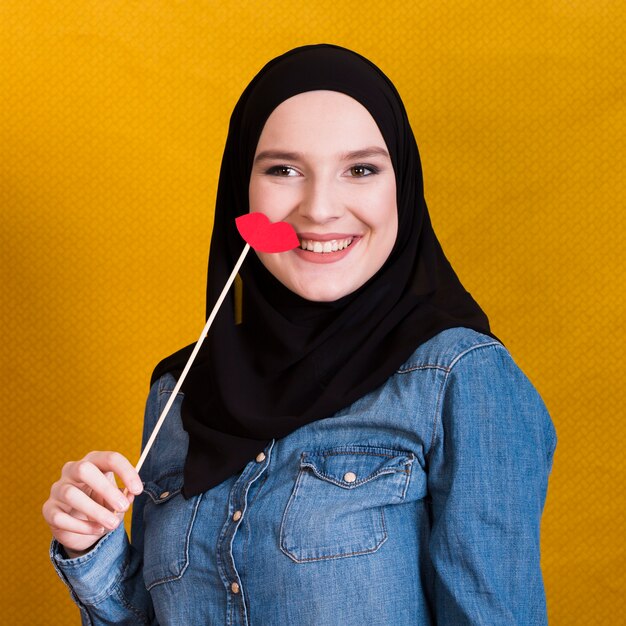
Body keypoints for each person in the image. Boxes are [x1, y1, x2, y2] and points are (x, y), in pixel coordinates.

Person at [43, 44, 558, 625]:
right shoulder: (179, 392)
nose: (318, 209)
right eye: (283, 170)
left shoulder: (462, 381)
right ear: (243, 186)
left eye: (360, 169)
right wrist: (91, 550)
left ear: (402, 188)